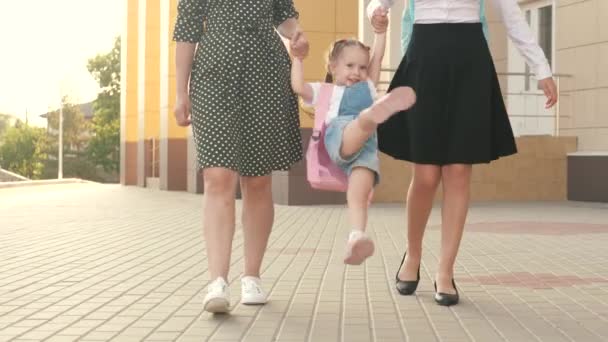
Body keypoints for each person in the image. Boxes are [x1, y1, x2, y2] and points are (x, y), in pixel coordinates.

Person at [367, 0, 558, 306]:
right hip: (424, 59)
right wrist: (374, 13)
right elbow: (378, 3)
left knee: (458, 171)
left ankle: (445, 271)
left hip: (470, 61)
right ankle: (413, 254)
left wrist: (541, 68)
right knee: (426, 175)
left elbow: (511, 16)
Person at [172, 0, 309, 313]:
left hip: (267, 71)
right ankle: (217, 280)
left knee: (257, 179)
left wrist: (296, 33)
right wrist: (180, 92)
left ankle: (252, 276)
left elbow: (283, 15)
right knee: (217, 175)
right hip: (213, 71)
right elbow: (186, 30)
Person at [290, 10, 416, 266]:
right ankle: (372, 116)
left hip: (366, 150)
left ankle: (356, 237)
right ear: (333, 67)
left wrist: (380, 33)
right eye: (350, 66)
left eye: (362, 66)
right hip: (340, 138)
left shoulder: (367, 85)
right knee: (359, 123)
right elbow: (298, 87)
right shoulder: (326, 91)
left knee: (359, 194)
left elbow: (378, 55)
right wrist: (298, 59)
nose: (357, 72)